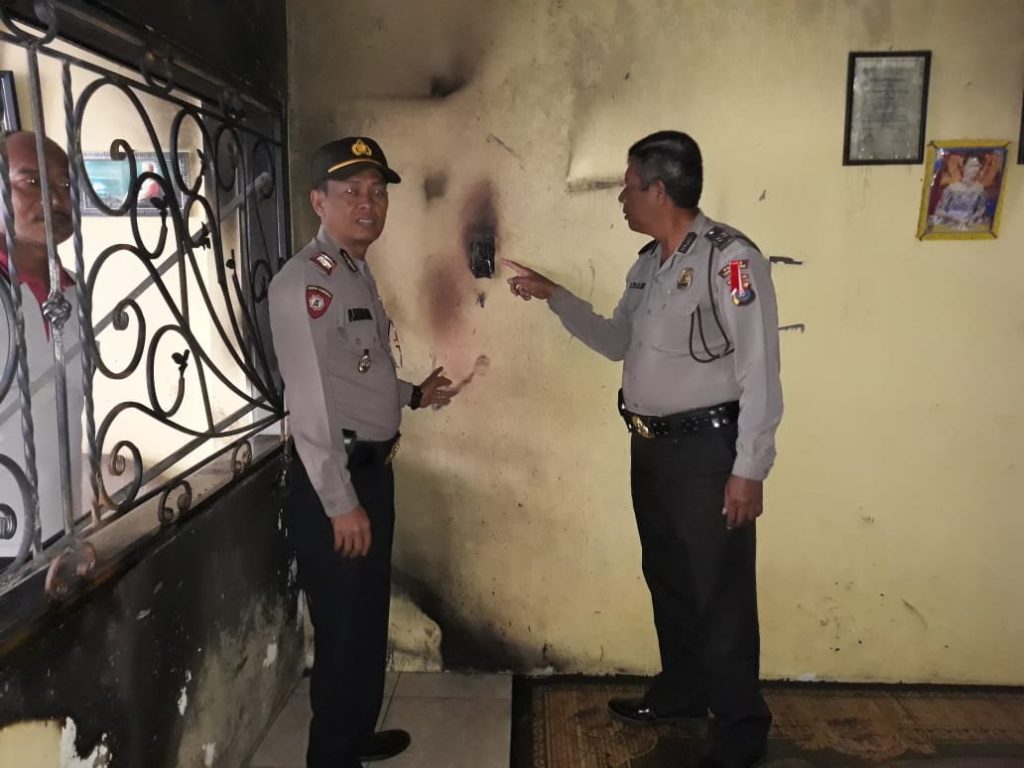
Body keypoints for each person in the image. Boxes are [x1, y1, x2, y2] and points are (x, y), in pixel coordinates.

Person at [505, 130, 782, 768]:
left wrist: (750, 468)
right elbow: (614, 342)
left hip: (712, 454)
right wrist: (557, 297)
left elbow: (759, 369)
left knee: (720, 591)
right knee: (670, 578)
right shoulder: (648, 264)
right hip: (652, 450)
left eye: (629, 186)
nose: (622, 199)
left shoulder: (729, 259)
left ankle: (741, 726)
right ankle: (683, 691)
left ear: (659, 189)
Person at [268, 136, 454, 768]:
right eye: (351, 192)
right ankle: (334, 755)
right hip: (336, 483)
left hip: (372, 474)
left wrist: (414, 394)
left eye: (377, 192)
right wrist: (342, 502)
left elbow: (359, 370)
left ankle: (355, 732)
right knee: (346, 634)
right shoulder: (305, 283)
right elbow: (312, 403)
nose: (369, 204)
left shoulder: (353, 270)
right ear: (318, 200)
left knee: (367, 620)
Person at [0, 131, 81, 564]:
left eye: (65, 187)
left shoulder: (70, 294)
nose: (55, 200)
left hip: (61, 528)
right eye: (31, 182)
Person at [930, 154, 988, 229]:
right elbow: (939, 211)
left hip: (969, 223)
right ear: (964, 167)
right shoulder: (952, 188)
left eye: (977, 166)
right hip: (950, 222)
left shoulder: (980, 189)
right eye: (971, 166)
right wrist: (954, 218)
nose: (974, 169)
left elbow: (981, 210)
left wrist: (972, 218)